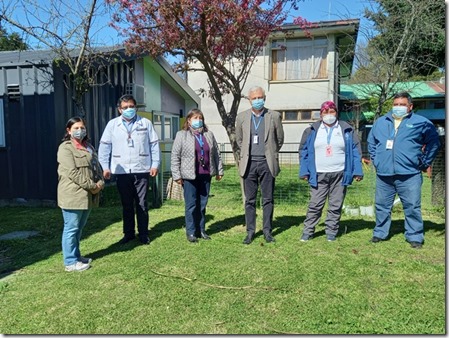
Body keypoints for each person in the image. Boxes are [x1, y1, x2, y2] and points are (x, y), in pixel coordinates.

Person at [367, 91, 440, 249]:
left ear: (410, 106)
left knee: (412, 206)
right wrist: (378, 161)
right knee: (381, 206)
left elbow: (434, 143)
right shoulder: (381, 122)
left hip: (409, 174)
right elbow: (371, 142)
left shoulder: (421, 122)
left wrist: (424, 162)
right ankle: (380, 233)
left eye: (402, 105)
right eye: (396, 104)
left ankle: (414, 236)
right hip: (384, 174)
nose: (398, 107)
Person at [98, 94, 160, 245]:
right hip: (122, 170)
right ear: (119, 110)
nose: (129, 110)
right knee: (127, 204)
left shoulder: (145, 123)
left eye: (131, 107)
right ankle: (129, 233)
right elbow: (104, 147)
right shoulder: (112, 125)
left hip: (142, 168)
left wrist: (155, 164)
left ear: (136, 107)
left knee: (142, 203)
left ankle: (144, 234)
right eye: (125, 108)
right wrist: (105, 167)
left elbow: (154, 144)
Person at [298, 101, 364, 242]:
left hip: (340, 173)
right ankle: (308, 231)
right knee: (315, 204)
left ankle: (331, 232)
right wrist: (304, 171)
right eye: (325, 112)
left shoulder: (346, 129)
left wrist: (357, 171)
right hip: (318, 174)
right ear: (321, 114)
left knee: (335, 204)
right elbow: (303, 151)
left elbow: (355, 150)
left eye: (332, 112)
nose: (329, 115)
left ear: (336, 113)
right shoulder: (311, 130)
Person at [235, 86, 284, 244]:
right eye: (254, 98)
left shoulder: (274, 116)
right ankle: (250, 231)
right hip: (249, 164)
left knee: (268, 199)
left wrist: (271, 152)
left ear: (265, 98)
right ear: (249, 100)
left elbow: (279, 139)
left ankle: (267, 231)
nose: (257, 100)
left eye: (260, 97)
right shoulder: (242, 117)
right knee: (249, 200)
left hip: (266, 163)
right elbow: (239, 140)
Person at [57, 117, 104, 272]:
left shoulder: (87, 146)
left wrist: (100, 182)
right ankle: (70, 262)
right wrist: (92, 186)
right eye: (76, 128)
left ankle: (76, 256)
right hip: (73, 194)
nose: (80, 130)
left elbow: (96, 166)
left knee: (79, 228)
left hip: (87, 195)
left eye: (82, 127)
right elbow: (72, 172)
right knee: (71, 228)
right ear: (68, 131)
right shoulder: (65, 148)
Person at [171, 108, 224, 243]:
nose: (198, 121)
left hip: (205, 175)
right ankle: (191, 232)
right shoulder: (181, 135)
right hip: (189, 176)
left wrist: (219, 170)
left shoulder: (209, 135)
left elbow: (216, 154)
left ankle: (201, 230)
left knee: (202, 204)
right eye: (195, 118)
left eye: (200, 118)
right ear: (189, 120)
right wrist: (176, 175)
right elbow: (175, 156)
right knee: (191, 205)